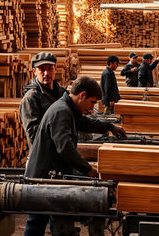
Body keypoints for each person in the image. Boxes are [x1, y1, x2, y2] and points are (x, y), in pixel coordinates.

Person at [24, 75, 126, 236]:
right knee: (36, 222)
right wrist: (89, 170)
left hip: (52, 176)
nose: (92, 108)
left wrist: (110, 127)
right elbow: (65, 148)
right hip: (43, 177)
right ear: (82, 95)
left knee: (54, 219)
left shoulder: (68, 108)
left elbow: (85, 123)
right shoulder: (61, 111)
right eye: (92, 102)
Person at [19, 51, 67, 149]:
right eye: (42, 69)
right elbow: (34, 132)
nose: (46, 73)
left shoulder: (62, 92)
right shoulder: (31, 98)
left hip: (60, 154)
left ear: (56, 69)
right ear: (34, 71)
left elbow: (76, 117)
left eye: (50, 69)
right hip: (42, 157)